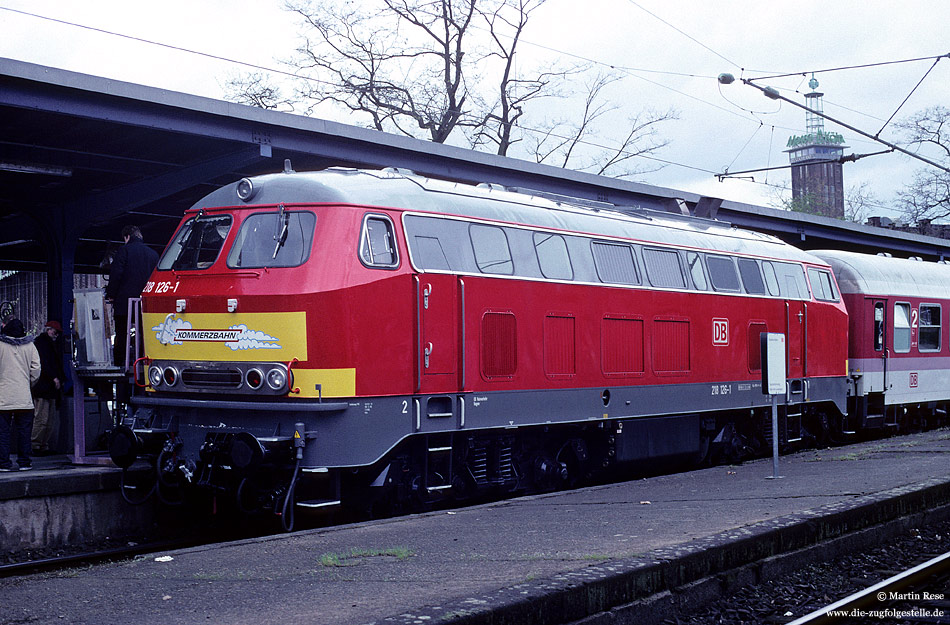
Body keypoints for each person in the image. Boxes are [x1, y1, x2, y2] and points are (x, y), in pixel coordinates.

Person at [105, 225, 159, 375]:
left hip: (124, 302)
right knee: (144, 332)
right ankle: (143, 360)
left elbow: (116, 274)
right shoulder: (153, 254)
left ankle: (119, 362)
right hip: (145, 303)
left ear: (127, 237)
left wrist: (111, 294)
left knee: (122, 332)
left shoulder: (124, 251)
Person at [0, 318, 41, 471]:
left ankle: (3, 463)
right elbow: (36, 369)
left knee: (3, 433)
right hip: (24, 397)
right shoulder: (30, 346)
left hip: (2, 398)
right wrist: (28, 383)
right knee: (24, 432)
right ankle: (24, 462)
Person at [31, 320, 65, 455]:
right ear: (49, 330)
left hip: (45, 387)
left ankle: (39, 445)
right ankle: (37, 445)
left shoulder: (41, 343)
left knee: (45, 419)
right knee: (44, 418)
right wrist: (56, 378)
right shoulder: (45, 344)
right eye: (55, 332)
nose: (56, 335)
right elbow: (45, 364)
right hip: (45, 388)